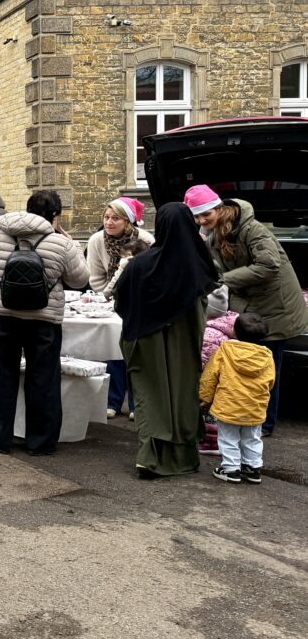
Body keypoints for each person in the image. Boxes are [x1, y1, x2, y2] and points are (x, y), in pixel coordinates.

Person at [185, 184, 308, 437]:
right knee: (246, 364)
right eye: (196, 216)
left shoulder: (253, 229)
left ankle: (264, 424)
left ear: (219, 208)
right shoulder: (213, 233)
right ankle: (244, 417)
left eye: (206, 214)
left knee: (266, 366)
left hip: (275, 307)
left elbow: (269, 265)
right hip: (250, 306)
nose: (202, 220)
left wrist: (223, 280)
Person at [0, 190, 89, 455]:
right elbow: (80, 280)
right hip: (43, 318)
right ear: (55, 215)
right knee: (43, 379)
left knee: (0, 377)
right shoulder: (60, 243)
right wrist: (73, 246)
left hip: (3, 315)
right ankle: (40, 442)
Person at [114, 202, 218, 479]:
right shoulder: (199, 265)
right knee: (182, 395)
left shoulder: (140, 264)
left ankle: (149, 459)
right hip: (184, 342)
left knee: (150, 395)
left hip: (144, 340)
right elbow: (209, 301)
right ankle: (183, 457)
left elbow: (120, 302)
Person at [86, 196, 155, 419]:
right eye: (106, 217)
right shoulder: (97, 240)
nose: (109, 222)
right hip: (109, 299)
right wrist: (108, 297)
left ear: (127, 221)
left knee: (135, 353)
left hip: (139, 301)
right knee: (112, 350)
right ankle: (113, 401)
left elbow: (151, 274)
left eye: (115, 218)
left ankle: (136, 404)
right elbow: (95, 276)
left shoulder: (145, 240)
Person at [199, 312, 276, 485]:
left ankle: (231, 469)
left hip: (228, 404)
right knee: (253, 438)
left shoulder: (226, 350)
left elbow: (211, 376)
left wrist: (205, 397)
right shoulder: (267, 356)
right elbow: (270, 381)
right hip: (254, 407)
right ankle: (253, 469)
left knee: (228, 438)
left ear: (234, 331)